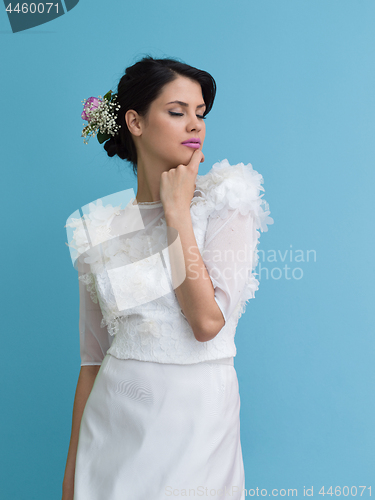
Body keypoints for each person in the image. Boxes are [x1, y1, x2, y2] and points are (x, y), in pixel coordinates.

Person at [62, 55, 273, 500]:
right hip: (113, 425)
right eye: (177, 112)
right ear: (135, 122)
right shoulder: (96, 228)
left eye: (200, 114)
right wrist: (71, 480)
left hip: (199, 424)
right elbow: (91, 363)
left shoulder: (228, 200)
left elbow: (206, 324)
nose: (194, 125)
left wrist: (177, 212)